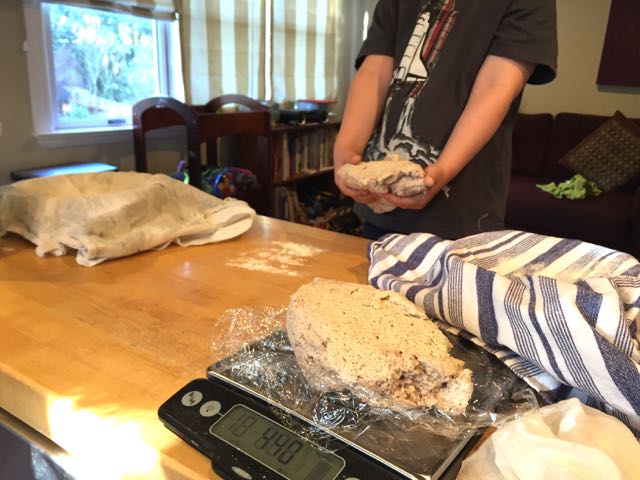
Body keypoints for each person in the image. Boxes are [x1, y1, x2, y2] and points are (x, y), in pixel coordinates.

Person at [334, 0, 558, 240]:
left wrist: (442, 170)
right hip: (379, 206)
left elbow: (497, 84)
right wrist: (347, 146)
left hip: (462, 213)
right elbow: (374, 70)